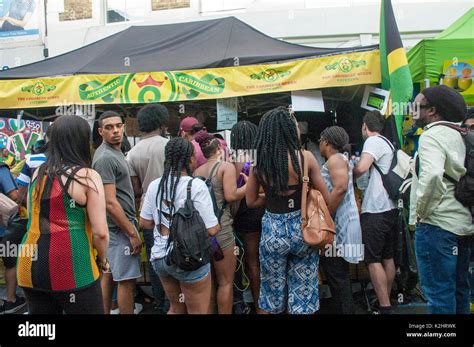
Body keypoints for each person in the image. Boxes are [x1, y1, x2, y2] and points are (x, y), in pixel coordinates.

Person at [16, 115, 109, 314]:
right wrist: (103, 260)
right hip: (72, 263)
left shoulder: (37, 172)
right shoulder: (87, 176)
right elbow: (101, 233)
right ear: (82, 141)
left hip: (28, 264)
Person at [246, 106, 330, 314]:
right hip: (303, 230)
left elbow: (251, 201)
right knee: (303, 291)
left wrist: (274, 197)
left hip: (273, 230)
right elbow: (325, 197)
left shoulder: (260, 162)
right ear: (290, 130)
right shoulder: (306, 158)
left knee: (271, 293)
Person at [409, 85, 473, 314]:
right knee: (460, 291)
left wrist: (421, 212)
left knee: (439, 295)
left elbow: (433, 176)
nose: (412, 111)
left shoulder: (431, 136)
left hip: (437, 226)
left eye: (417, 107)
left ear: (433, 111)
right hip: (463, 225)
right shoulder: (462, 135)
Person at [140, 137, 220, 314]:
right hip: (189, 258)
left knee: (176, 308)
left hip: (161, 258)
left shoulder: (155, 185)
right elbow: (212, 229)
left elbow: (145, 223)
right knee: (197, 311)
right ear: (190, 158)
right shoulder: (196, 185)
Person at [92, 111, 142, 315]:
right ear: (100, 131)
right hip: (118, 228)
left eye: (118, 126)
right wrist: (132, 233)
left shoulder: (115, 153)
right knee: (127, 280)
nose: (115, 131)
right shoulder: (105, 157)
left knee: (110, 275)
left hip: (115, 226)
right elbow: (110, 203)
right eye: (109, 127)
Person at [193, 130, 247, 314]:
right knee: (225, 283)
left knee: (207, 284)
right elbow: (231, 195)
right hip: (221, 231)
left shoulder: (196, 171)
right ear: (219, 149)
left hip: (201, 233)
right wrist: (249, 185)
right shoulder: (225, 167)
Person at [353, 110, 397, 314]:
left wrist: (347, 172)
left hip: (376, 208)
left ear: (364, 125)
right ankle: (384, 302)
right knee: (387, 257)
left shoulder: (372, 141)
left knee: (372, 259)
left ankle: (384, 305)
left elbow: (362, 168)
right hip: (390, 208)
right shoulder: (388, 143)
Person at [126, 104, 169, 314]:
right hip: (171, 211)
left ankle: (160, 305)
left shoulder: (132, 153)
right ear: (162, 123)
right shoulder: (169, 146)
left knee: (154, 261)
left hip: (147, 214)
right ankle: (176, 304)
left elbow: (135, 189)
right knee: (175, 259)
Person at [318, 126, 363, 314]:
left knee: (337, 274)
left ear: (326, 142)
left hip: (339, 225)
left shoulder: (335, 159)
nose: (319, 144)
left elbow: (340, 188)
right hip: (346, 222)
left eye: (320, 140)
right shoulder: (342, 159)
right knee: (339, 274)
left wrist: (326, 218)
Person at [229, 121, 265, 313]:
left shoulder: (234, 158)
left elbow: (232, 190)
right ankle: (262, 305)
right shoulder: (260, 157)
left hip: (242, 214)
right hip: (260, 210)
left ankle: (252, 305)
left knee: (247, 262)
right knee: (256, 261)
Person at [0, 162, 25, 314]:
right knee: (11, 262)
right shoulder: (2, 169)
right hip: (4, 229)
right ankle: (11, 300)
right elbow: (14, 195)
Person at [16, 127, 51, 205]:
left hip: (36, 213)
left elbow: (21, 195)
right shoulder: (77, 162)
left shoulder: (32, 160)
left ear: (46, 139)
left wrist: (33, 209)